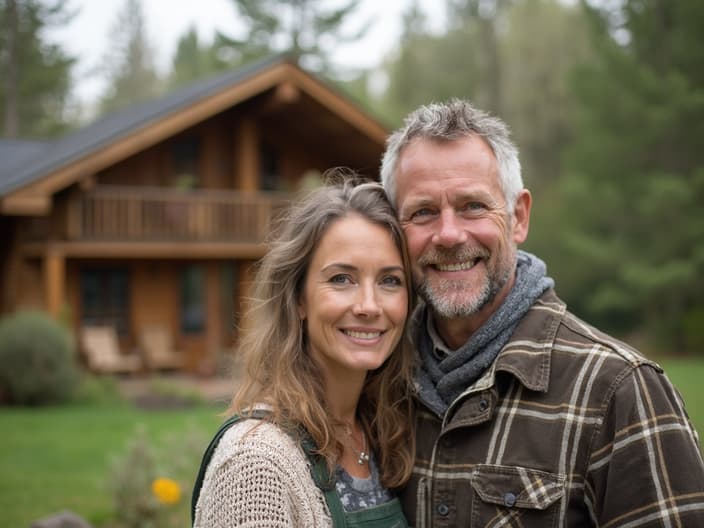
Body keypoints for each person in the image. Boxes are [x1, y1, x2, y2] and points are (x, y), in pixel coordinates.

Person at [380, 99, 704, 527]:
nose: (449, 234)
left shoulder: (619, 391)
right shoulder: (377, 383)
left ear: (518, 217)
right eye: (422, 212)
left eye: (473, 206)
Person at [192, 173, 415, 527]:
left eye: (390, 280)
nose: (369, 306)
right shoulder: (256, 465)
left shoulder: (381, 436)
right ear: (298, 300)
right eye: (342, 279)